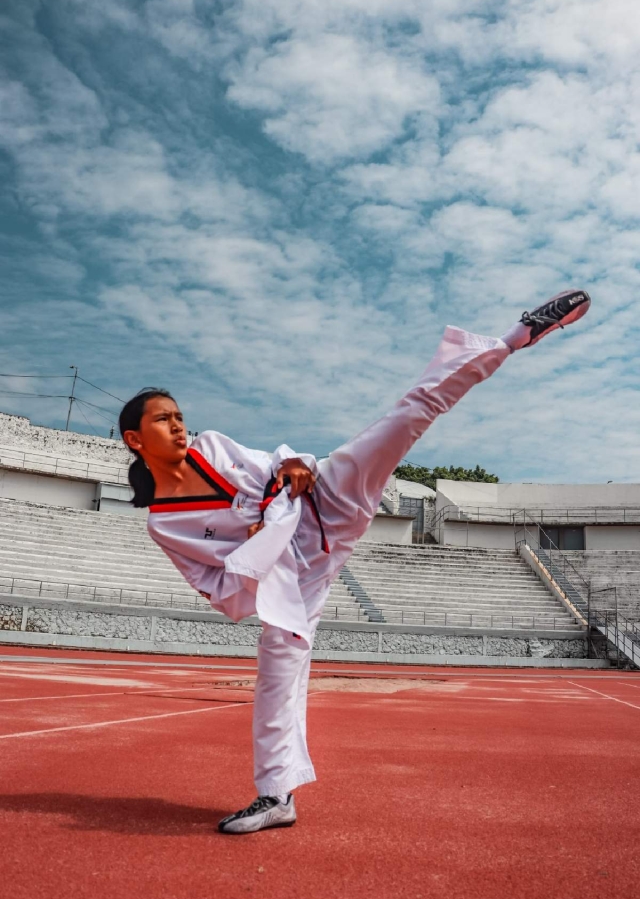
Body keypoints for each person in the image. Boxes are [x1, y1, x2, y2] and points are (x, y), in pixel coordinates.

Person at [118, 289, 591, 834]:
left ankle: (514, 337)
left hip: (326, 500)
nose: (178, 426)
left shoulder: (212, 446)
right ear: (135, 439)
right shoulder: (164, 523)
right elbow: (217, 586)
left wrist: (292, 466)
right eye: (162, 420)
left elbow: (277, 463)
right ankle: (276, 798)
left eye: (178, 416)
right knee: (276, 679)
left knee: (409, 414)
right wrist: (253, 549)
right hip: (290, 578)